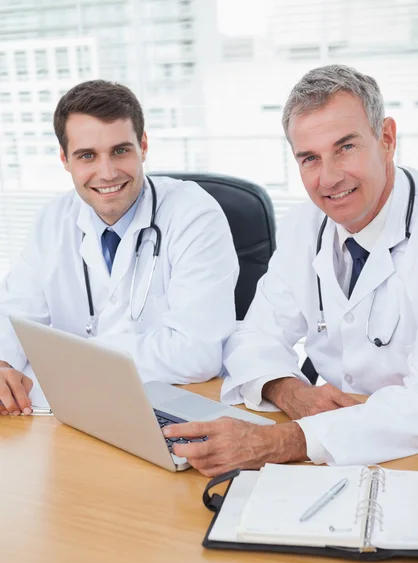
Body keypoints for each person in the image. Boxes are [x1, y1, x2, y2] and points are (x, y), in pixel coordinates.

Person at [163, 64, 418, 476]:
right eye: (310, 159)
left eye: (346, 148)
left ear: (386, 139)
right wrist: (289, 390)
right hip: (338, 456)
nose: (329, 178)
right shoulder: (307, 224)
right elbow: (254, 333)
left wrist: (280, 442)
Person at [0, 80, 238, 416]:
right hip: (79, 412)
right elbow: (13, 314)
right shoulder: (53, 220)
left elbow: (196, 354)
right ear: (65, 159)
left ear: (143, 146)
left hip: (174, 404)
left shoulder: (194, 214)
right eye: (87, 156)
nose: (107, 172)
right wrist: (3, 363)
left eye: (120, 150)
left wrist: (68, 360)